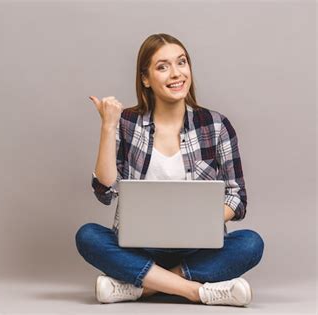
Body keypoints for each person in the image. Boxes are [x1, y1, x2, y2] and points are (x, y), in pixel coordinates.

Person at [75, 33, 264, 307]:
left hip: (199, 247)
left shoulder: (216, 124)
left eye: (181, 62)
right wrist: (108, 126)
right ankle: (195, 291)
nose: (176, 74)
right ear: (146, 79)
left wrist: (199, 221)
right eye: (162, 67)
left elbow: (237, 198)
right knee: (88, 236)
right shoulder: (128, 122)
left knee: (250, 243)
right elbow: (104, 190)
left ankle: (141, 287)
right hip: (139, 247)